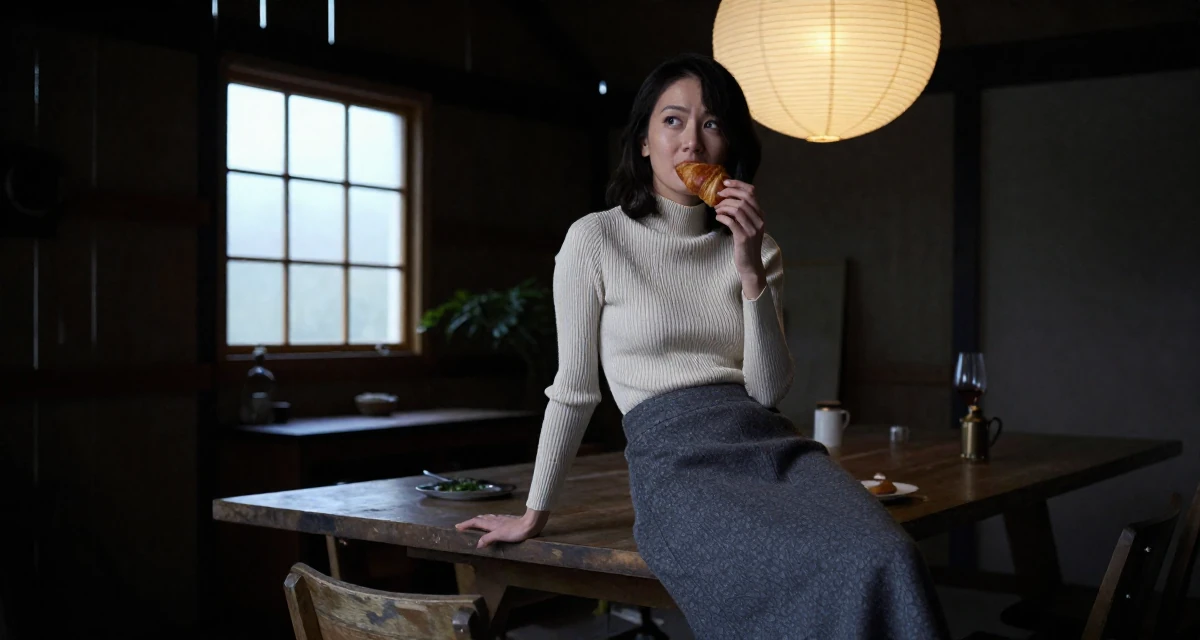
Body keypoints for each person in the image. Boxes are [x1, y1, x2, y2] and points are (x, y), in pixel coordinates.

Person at [456, 53, 950, 639]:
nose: (691, 140)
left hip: (770, 445)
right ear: (644, 141)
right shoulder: (595, 239)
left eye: (711, 123)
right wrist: (534, 513)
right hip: (674, 461)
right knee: (791, 567)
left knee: (888, 554)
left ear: (728, 144)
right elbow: (574, 390)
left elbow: (767, 390)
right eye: (673, 120)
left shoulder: (759, 248)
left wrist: (749, 271)